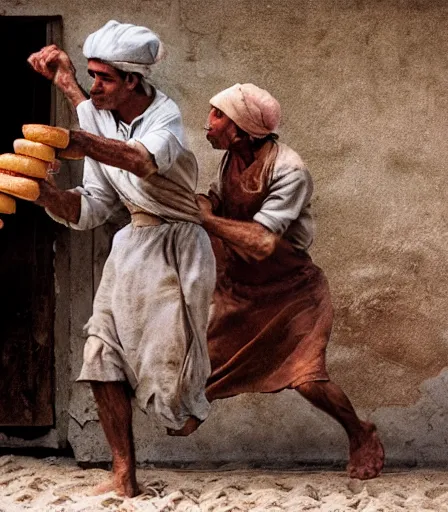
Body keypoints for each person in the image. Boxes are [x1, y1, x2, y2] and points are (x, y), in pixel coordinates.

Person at [27, 20, 216, 497]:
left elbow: (140, 160)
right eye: (90, 76)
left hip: (178, 249)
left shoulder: (164, 117)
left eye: (104, 78)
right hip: (131, 247)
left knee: (175, 400)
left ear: (133, 79)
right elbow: (92, 205)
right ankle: (123, 472)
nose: (94, 87)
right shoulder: (101, 117)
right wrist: (47, 195)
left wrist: (80, 138)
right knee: (100, 353)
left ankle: (193, 395)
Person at [195, 83, 385, 480]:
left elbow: (263, 241)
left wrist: (206, 219)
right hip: (243, 292)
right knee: (201, 366)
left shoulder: (289, 170)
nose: (207, 124)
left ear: (242, 128)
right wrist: (197, 202)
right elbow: (219, 198)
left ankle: (359, 432)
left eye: (217, 116)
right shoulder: (230, 158)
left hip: (293, 292)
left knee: (307, 378)